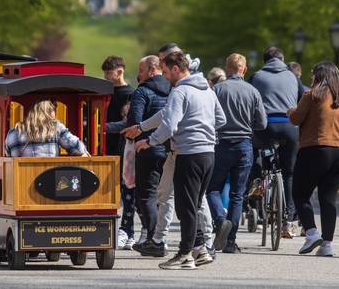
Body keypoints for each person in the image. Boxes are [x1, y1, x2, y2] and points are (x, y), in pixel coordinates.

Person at [124, 44, 216, 263]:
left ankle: (186, 255)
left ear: (175, 69)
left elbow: (169, 125)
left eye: (165, 72)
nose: (164, 77)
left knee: (186, 207)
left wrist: (149, 141)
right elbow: (219, 118)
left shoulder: (180, 91)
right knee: (192, 203)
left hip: (188, 152)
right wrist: (141, 128)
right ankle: (200, 249)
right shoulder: (207, 90)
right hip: (208, 152)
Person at [288, 62, 339, 257]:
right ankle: (327, 245)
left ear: (319, 76)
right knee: (328, 199)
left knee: (299, 194)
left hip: (315, 150)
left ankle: (311, 233)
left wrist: (291, 111)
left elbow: (296, 119)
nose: (311, 77)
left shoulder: (311, 95)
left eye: (313, 74)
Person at [207, 53, 267, 253]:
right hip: (244, 145)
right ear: (244, 69)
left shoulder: (217, 89)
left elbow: (208, 116)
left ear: (227, 68)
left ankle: (220, 220)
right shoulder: (253, 91)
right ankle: (230, 242)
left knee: (212, 189)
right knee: (237, 195)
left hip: (221, 144)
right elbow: (262, 123)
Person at [250, 46, 302, 238]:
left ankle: (259, 181)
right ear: (282, 60)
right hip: (289, 127)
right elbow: (301, 100)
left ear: (265, 61)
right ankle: (289, 219)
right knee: (289, 173)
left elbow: (250, 101)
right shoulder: (293, 77)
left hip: (266, 128)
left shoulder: (256, 77)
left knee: (256, 151)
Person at [127, 55, 171, 258]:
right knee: (167, 196)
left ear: (152, 70)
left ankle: (154, 240)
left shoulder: (142, 91)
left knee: (147, 196)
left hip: (147, 148)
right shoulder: (174, 89)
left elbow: (135, 122)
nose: (139, 75)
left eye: (141, 70)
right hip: (170, 148)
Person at [102, 55, 136, 250]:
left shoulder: (129, 94)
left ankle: (128, 230)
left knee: (127, 190)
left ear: (120, 71)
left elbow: (127, 122)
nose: (106, 77)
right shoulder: (103, 92)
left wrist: (102, 127)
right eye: (105, 73)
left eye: (109, 73)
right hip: (105, 147)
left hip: (123, 147)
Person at [5, 100, 89, 157]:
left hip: (21, 177)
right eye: (54, 109)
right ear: (49, 112)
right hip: (49, 177)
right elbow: (77, 146)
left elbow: (8, 158)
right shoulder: (55, 127)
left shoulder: (13, 133)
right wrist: (77, 153)